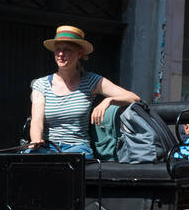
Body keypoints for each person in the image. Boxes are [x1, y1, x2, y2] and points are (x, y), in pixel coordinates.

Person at [27, 25, 140, 156]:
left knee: (65, 165)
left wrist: (109, 100)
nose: (61, 54)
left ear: (79, 53)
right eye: (57, 50)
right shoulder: (41, 84)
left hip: (78, 149)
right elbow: (36, 120)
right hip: (48, 147)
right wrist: (36, 139)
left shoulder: (92, 81)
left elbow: (134, 98)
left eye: (67, 50)